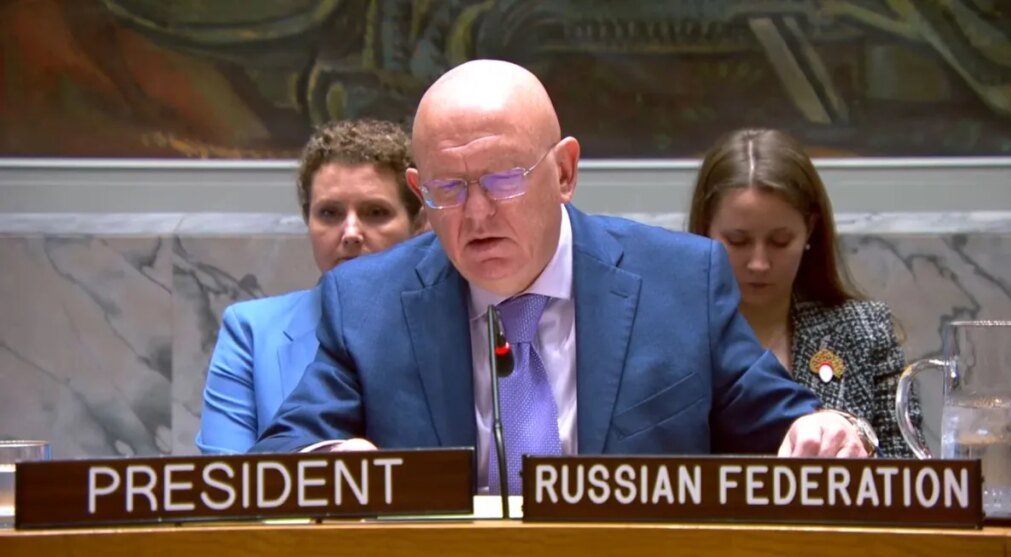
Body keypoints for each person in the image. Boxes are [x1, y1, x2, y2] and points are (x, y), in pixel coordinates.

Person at [251, 60, 875, 493]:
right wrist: (330, 460)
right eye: (449, 189)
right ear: (420, 191)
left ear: (565, 172)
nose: (476, 213)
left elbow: (785, 426)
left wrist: (824, 431)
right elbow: (278, 456)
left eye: (503, 179)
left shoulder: (679, 283)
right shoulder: (368, 302)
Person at [196, 119, 426, 454]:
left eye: (375, 212)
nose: (351, 233)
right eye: (330, 213)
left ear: (419, 222)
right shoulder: (252, 332)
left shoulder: (454, 323)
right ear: (308, 221)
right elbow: (227, 477)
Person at [688, 128, 921, 457]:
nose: (759, 263)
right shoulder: (671, 336)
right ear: (706, 230)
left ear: (809, 230)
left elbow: (909, 473)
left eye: (780, 241)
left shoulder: (866, 331)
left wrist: (858, 441)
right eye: (738, 241)